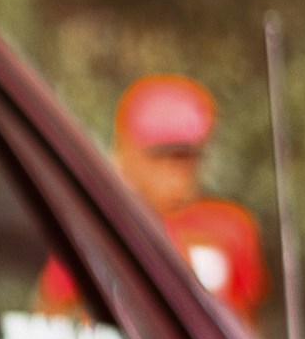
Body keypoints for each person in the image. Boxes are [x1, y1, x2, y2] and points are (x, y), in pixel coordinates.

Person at [108, 76, 271, 323]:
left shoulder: (230, 229)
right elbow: (56, 319)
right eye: (160, 155)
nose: (176, 170)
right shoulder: (100, 222)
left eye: (185, 155)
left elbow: (245, 330)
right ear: (127, 155)